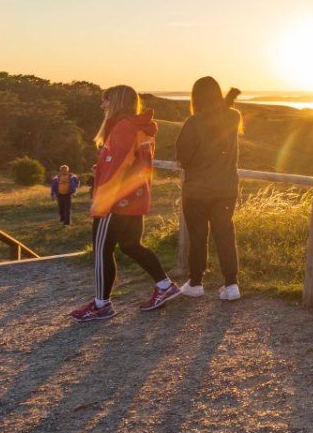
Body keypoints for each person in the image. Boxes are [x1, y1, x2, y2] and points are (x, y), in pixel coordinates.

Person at [70, 85, 181, 322]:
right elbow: (133, 163)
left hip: (115, 201)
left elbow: (118, 166)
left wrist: (102, 201)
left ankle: (101, 305)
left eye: (105, 101)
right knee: (131, 245)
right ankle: (165, 285)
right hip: (135, 196)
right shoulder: (140, 127)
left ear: (116, 103)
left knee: (102, 250)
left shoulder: (122, 127)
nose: (102, 105)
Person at [175, 77, 243, 301]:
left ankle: (196, 283)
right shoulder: (233, 117)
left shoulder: (194, 122)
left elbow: (183, 158)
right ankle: (231, 285)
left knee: (198, 236)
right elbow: (221, 122)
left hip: (197, 191)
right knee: (224, 234)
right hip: (226, 188)